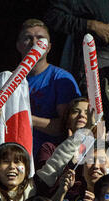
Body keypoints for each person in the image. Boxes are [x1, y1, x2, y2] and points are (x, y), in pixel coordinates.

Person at [16, 19, 81, 157]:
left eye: (40, 38)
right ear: (19, 46)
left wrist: (25, 118)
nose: (34, 43)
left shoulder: (61, 79)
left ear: (49, 47)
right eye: (28, 38)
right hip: (16, 155)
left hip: (49, 157)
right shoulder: (11, 79)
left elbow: (66, 126)